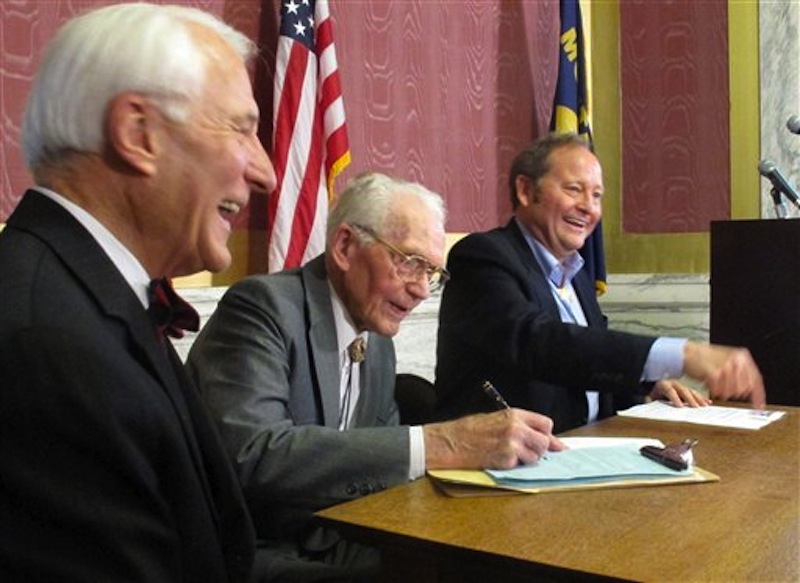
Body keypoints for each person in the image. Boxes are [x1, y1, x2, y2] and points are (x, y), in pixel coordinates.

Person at [0, 4, 276, 581]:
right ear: (137, 134)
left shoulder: (80, 298)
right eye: (242, 129)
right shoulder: (47, 347)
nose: (266, 173)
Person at [186, 172, 563, 581]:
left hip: (339, 537)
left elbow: (378, 469)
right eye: (410, 263)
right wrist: (443, 442)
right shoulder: (264, 308)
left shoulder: (378, 339)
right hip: (249, 552)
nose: (421, 289)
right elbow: (253, 454)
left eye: (432, 273)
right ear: (346, 246)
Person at [434, 133, 766, 434]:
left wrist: (645, 386)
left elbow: (587, 361)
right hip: (500, 470)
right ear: (525, 190)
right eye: (574, 190)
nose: (588, 208)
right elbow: (540, 342)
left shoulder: (576, 274)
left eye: (596, 196)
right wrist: (683, 354)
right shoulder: (483, 257)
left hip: (583, 454)